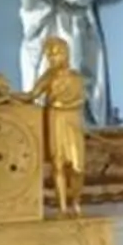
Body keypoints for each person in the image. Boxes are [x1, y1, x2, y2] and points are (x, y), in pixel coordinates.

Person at [33, 35, 88, 212]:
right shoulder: (48, 77)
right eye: (50, 55)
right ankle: (62, 207)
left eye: (56, 54)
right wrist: (6, 97)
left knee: (78, 167)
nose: (52, 58)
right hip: (56, 120)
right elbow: (32, 95)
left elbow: (81, 100)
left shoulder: (76, 77)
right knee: (58, 165)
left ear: (65, 54)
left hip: (72, 121)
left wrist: (61, 104)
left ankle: (76, 202)